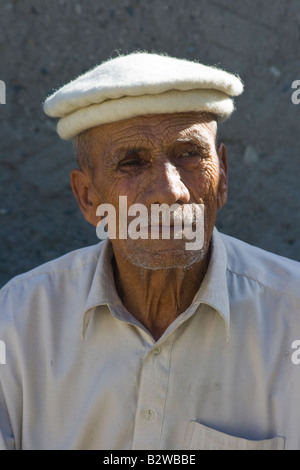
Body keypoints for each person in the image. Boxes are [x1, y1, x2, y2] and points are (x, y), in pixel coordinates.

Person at [0, 52, 299, 451]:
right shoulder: (18, 323)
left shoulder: (291, 316)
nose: (171, 191)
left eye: (190, 154)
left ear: (223, 175)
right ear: (88, 197)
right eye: (132, 163)